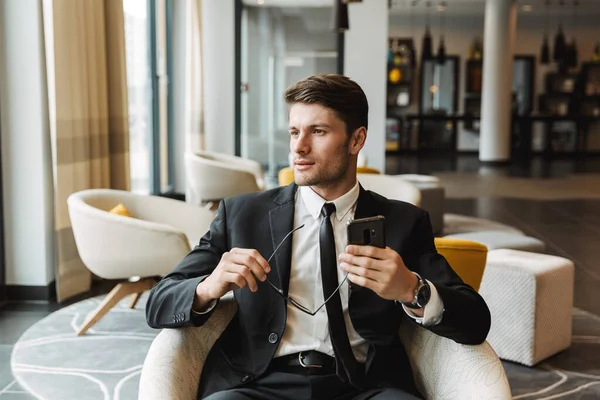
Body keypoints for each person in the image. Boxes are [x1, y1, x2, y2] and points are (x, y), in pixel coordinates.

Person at [146, 74, 491, 400]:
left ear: (356, 140)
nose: (300, 147)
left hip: (365, 387)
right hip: (258, 384)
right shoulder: (242, 215)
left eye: (318, 132)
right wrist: (209, 286)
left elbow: (476, 321)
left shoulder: (404, 221)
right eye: (294, 132)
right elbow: (158, 301)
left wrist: (412, 289)